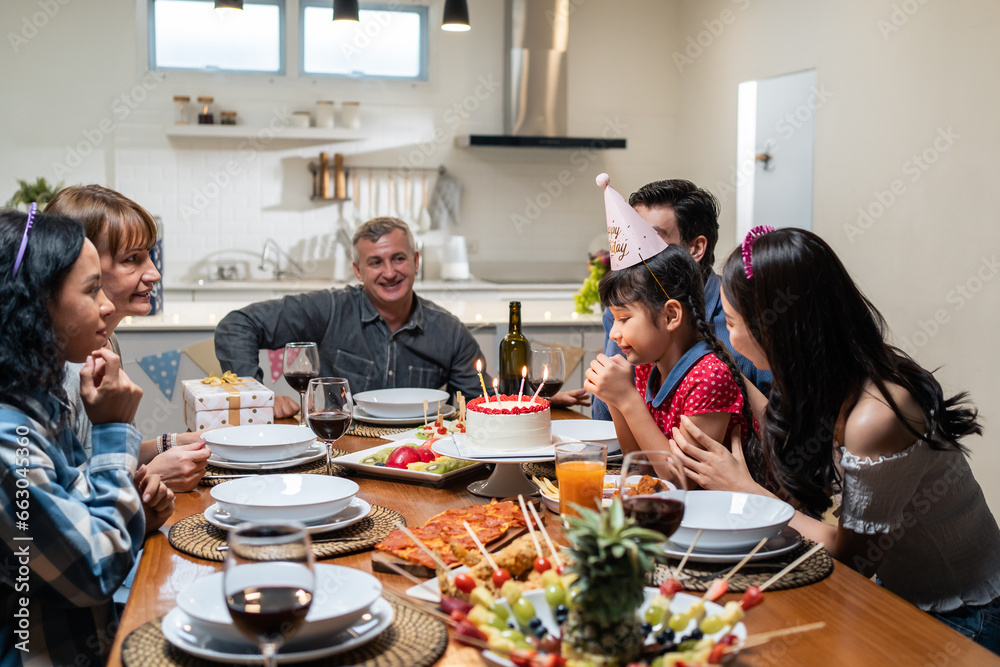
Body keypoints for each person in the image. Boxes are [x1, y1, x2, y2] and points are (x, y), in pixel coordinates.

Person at [668, 226, 1000, 654]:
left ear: (776, 327)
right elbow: (787, 425)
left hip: (964, 614)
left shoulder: (875, 417)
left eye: (730, 323)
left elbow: (852, 557)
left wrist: (745, 490)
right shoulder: (829, 372)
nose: (727, 333)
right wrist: (729, 360)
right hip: (898, 592)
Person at [0, 207, 173, 665]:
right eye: (92, 288)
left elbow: (81, 507)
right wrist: (114, 432)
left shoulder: (41, 397)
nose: (107, 305)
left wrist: (135, 507)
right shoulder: (7, 440)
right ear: (36, 302)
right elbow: (94, 570)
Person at [215, 217, 587, 418]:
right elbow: (237, 326)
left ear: (416, 261)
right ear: (358, 271)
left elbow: (478, 405)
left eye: (398, 258)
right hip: (338, 451)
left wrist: (528, 401)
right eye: (375, 262)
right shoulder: (328, 308)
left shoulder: (449, 332)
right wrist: (256, 396)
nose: (389, 272)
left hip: (421, 459)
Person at [46, 185, 210, 492]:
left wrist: (168, 444)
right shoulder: (63, 369)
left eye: (149, 255)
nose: (154, 273)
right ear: (83, 264)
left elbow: (104, 451)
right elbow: (58, 500)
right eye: (132, 259)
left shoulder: (106, 340)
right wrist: (146, 479)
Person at [591, 179, 771, 421]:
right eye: (632, 238)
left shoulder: (741, 313)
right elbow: (607, 421)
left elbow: (780, 428)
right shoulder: (624, 316)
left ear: (696, 248)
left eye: (649, 239)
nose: (638, 254)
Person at [584, 245, 764, 483]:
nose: (615, 333)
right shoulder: (647, 364)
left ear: (671, 316)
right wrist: (614, 399)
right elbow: (640, 465)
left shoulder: (710, 376)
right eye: (613, 319)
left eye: (624, 318)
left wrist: (626, 399)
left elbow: (682, 481)